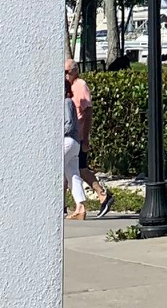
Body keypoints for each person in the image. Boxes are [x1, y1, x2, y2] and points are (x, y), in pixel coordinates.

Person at [64, 59, 112, 218]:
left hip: (76, 136)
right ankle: (76, 205)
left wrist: (85, 138)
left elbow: (88, 112)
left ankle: (102, 194)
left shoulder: (79, 86)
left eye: (67, 72)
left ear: (75, 71)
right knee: (73, 171)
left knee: (79, 169)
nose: (65, 76)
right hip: (75, 136)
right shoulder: (69, 89)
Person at [63, 71, 87, 221]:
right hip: (75, 143)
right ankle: (80, 207)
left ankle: (56, 205)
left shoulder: (65, 102)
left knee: (54, 172)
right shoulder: (69, 102)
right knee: (73, 174)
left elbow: (69, 124)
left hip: (66, 140)